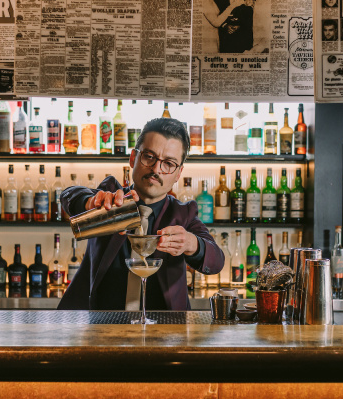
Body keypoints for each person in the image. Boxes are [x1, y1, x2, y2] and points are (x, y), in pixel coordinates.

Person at [57, 118, 224, 311]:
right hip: (100, 322)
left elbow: (217, 260)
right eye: (149, 157)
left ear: (178, 173)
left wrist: (192, 243)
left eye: (169, 163)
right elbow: (69, 194)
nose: (156, 169)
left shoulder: (183, 214)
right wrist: (90, 202)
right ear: (133, 158)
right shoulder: (112, 198)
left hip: (166, 325)